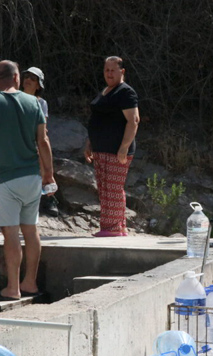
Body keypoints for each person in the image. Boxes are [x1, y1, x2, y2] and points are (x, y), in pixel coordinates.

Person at [0, 60, 55, 300]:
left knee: (11, 233)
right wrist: (48, 174)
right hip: (32, 176)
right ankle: (30, 282)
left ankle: (13, 288)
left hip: (4, 178)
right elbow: (43, 141)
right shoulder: (34, 103)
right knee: (31, 231)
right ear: (16, 78)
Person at [83, 56, 140, 237]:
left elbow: (134, 120)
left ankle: (113, 228)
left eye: (112, 70)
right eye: (106, 70)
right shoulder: (107, 90)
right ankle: (117, 227)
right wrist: (90, 142)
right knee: (104, 188)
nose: (109, 73)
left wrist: (124, 147)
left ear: (121, 72)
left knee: (113, 189)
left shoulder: (125, 92)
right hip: (101, 148)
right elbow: (98, 118)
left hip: (116, 150)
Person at [21, 66, 59, 218]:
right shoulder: (15, 98)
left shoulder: (41, 103)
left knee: (42, 150)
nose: (28, 80)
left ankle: (48, 195)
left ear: (38, 85)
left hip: (35, 138)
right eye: (27, 77)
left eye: (33, 78)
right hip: (20, 138)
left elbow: (43, 126)